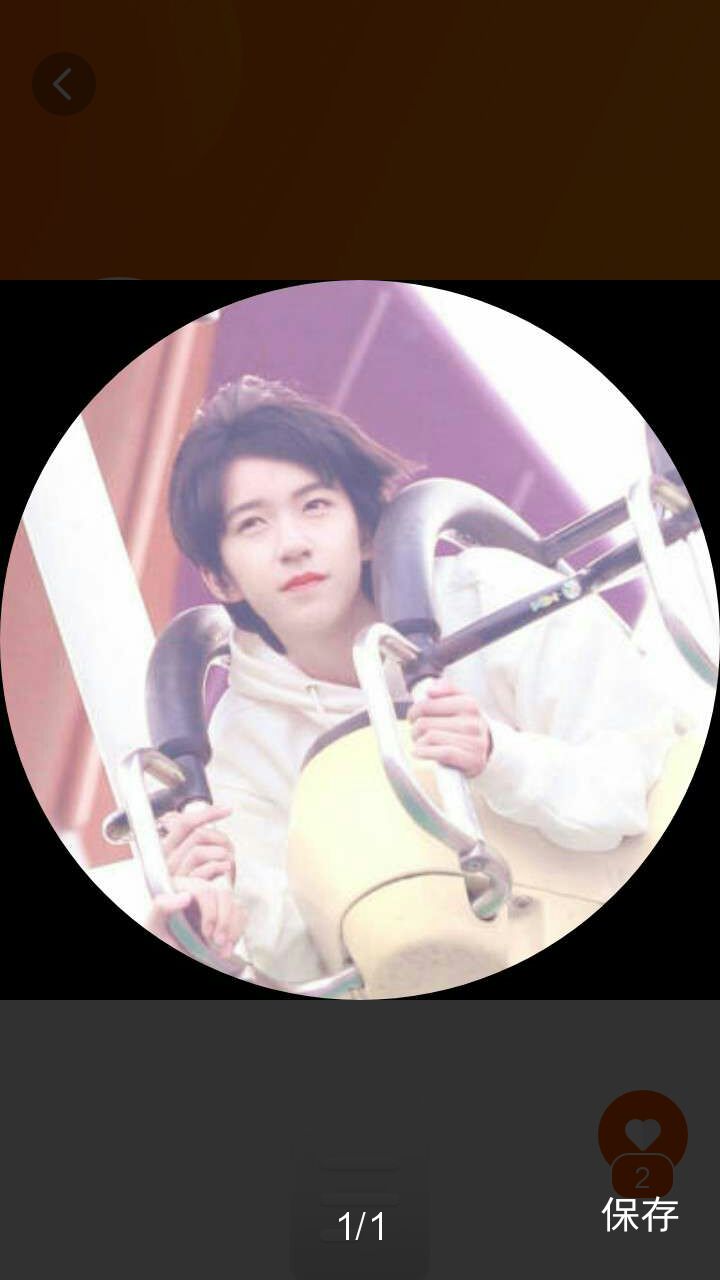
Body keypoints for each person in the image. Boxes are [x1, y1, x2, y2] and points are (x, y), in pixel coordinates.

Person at [159, 374, 687, 983]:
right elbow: (311, 961)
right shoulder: (239, 744)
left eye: (315, 507)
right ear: (220, 578)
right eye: (252, 524)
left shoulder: (494, 595)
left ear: (364, 531)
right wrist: (228, 900)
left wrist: (497, 757)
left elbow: (634, 788)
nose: (293, 544)